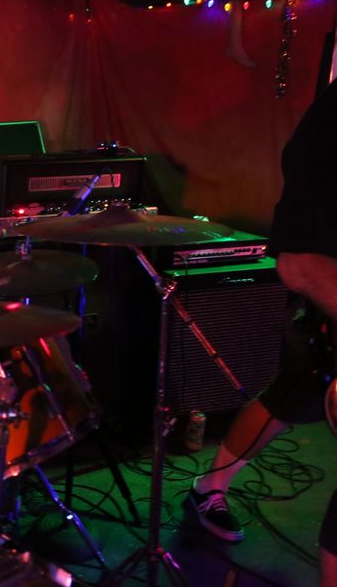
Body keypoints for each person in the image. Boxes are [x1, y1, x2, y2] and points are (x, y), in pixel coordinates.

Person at [184, 79, 337, 585]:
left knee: (294, 399)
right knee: (292, 397)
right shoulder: (331, 123)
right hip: (327, 298)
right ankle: (210, 488)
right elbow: (300, 263)